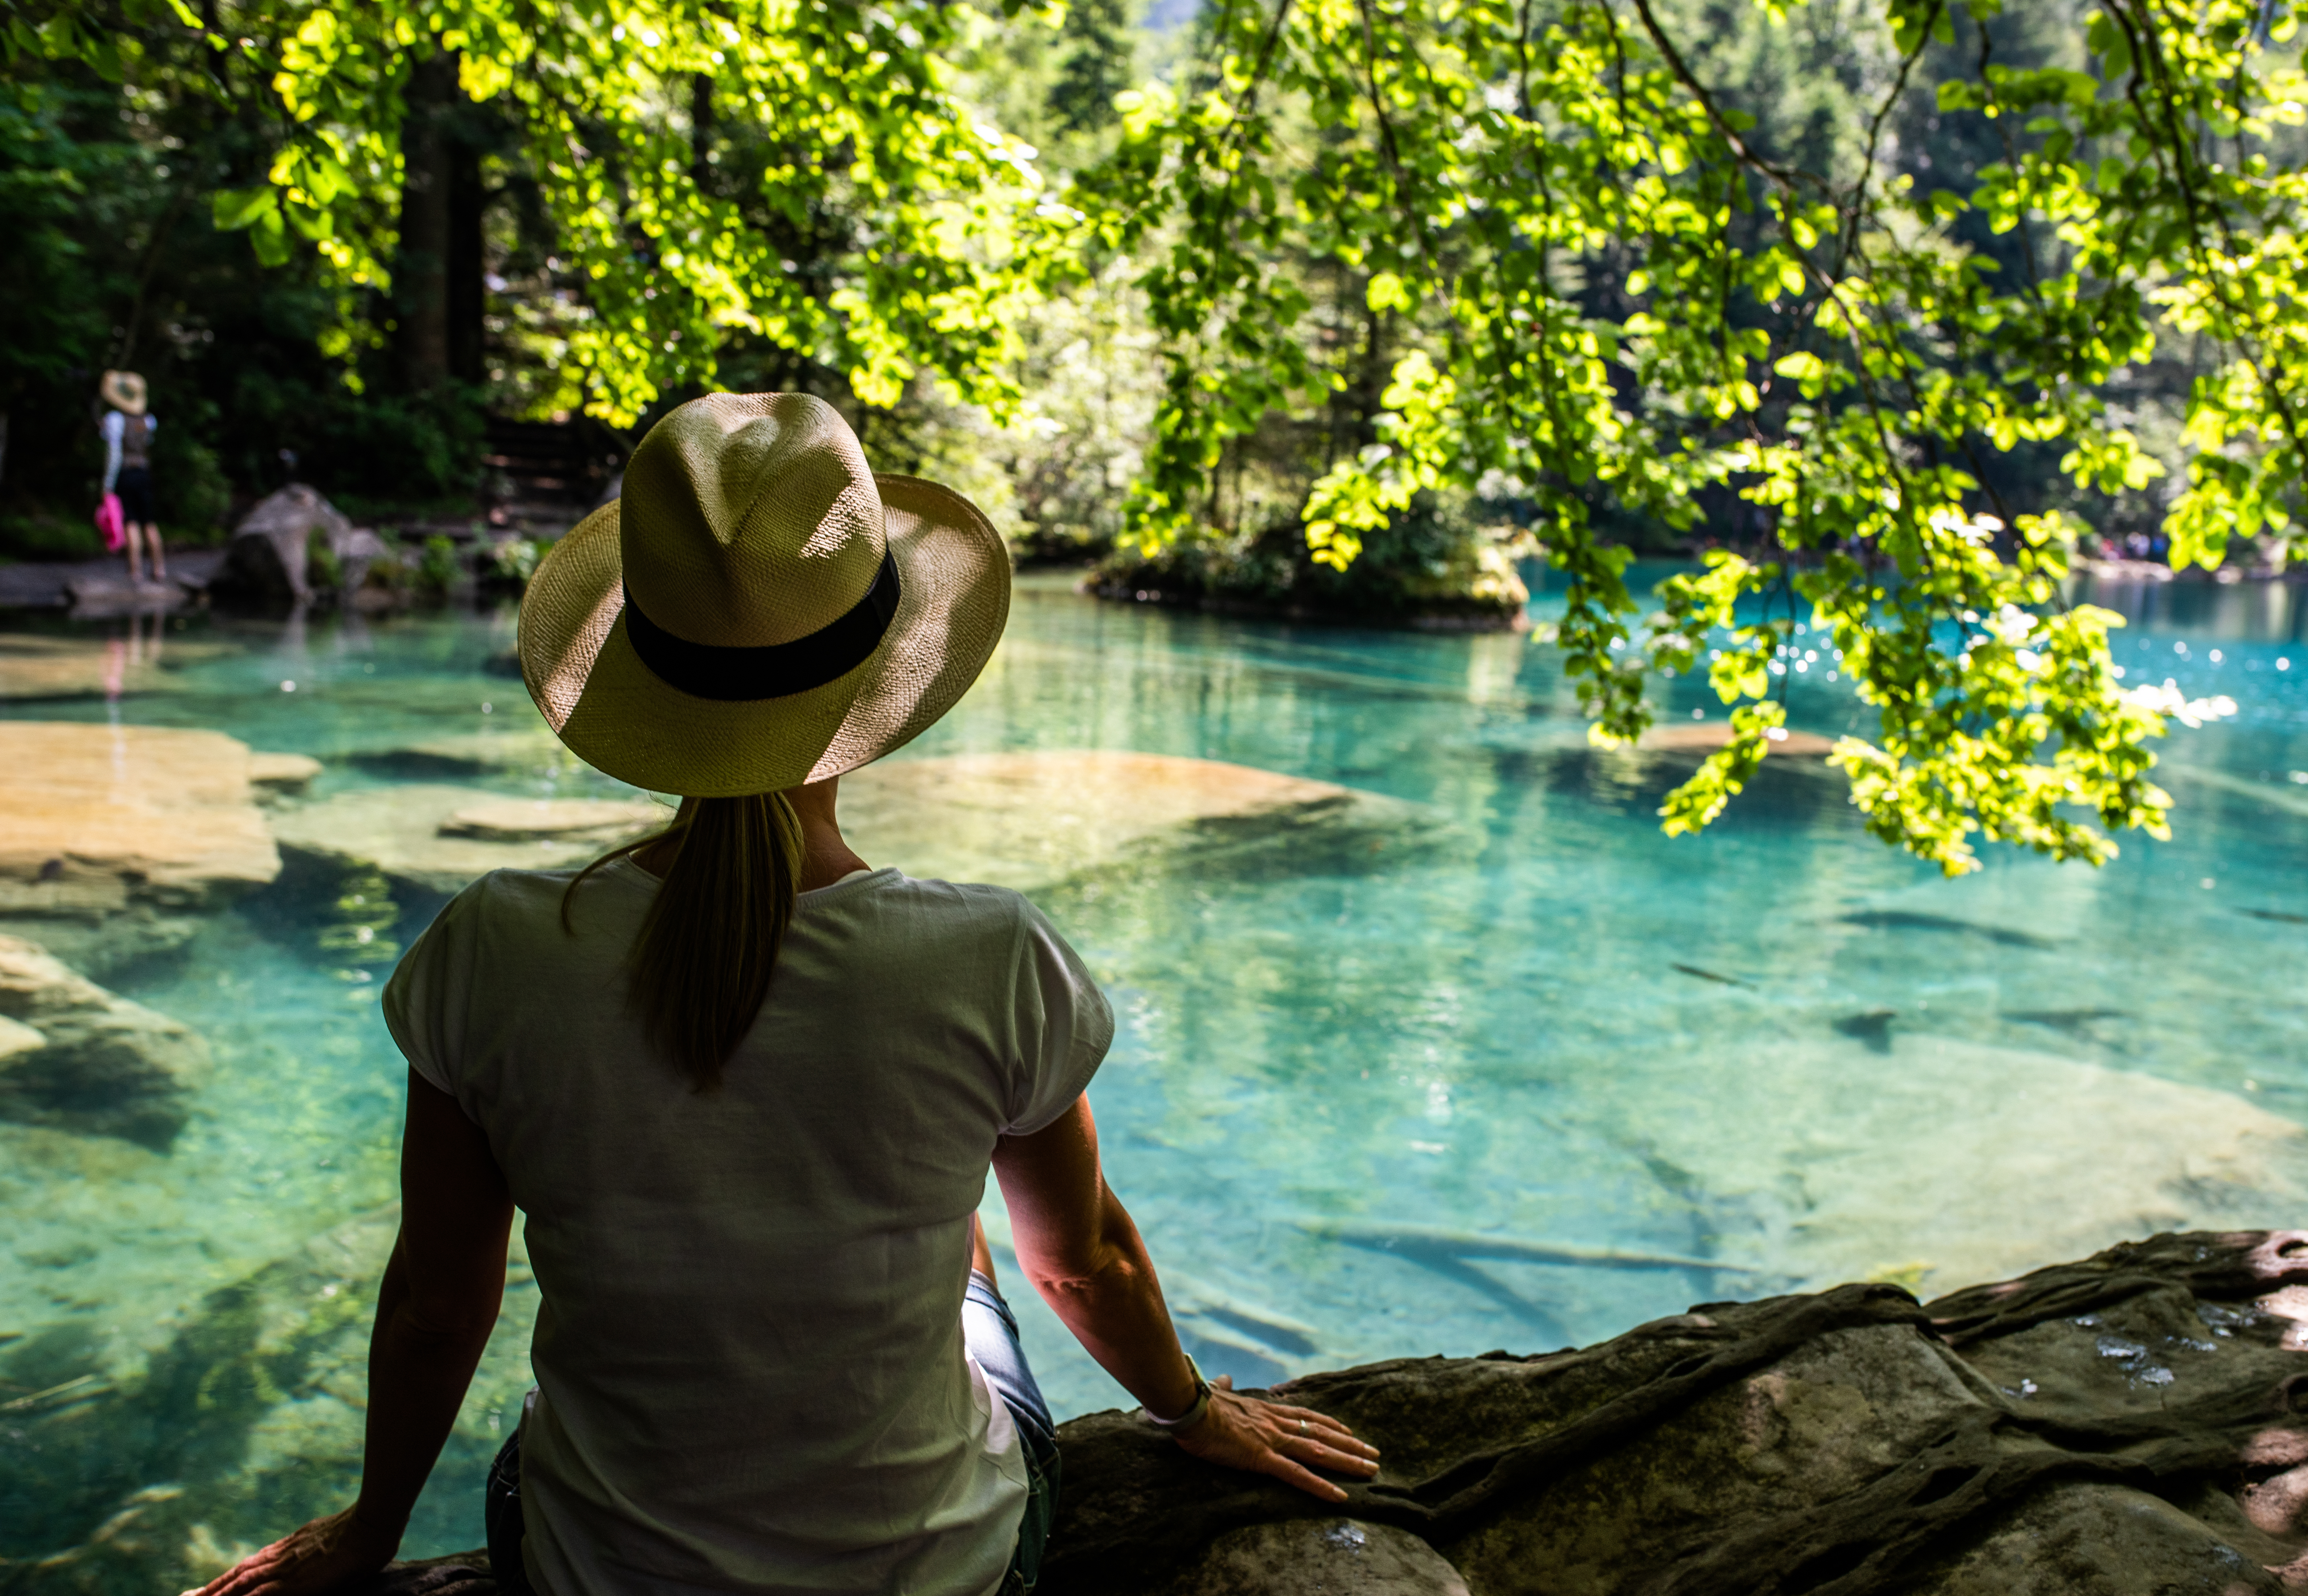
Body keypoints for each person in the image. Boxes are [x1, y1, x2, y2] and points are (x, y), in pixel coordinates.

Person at [186, 393, 1378, 1596]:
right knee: (966, 1244)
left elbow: (440, 1301)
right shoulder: (988, 953)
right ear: (874, 666)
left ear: (642, 667)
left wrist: (368, 1532)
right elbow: (1083, 1266)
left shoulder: (492, 947)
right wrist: (1191, 1413)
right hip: (938, 1569)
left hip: (596, 1573)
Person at [99, 369, 166, 586]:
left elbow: (115, 454)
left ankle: (135, 572)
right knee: (149, 522)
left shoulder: (115, 419)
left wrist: (108, 484)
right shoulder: (149, 420)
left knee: (131, 522)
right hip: (144, 473)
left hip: (126, 474)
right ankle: (159, 569)